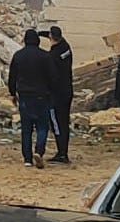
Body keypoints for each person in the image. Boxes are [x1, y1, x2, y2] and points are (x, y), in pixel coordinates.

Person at [8, 28, 57, 169]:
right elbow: (53, 77)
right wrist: (51, 93)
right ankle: (39, 152)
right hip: (42, 96)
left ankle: (27, 159)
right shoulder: (45, 56)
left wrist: (12, 93)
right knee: (42, 127)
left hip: (24, 97)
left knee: (26, 128)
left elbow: (12, 77)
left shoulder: (18, 56)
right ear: (37, 41)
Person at [46, 26, 74, 164]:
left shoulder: (52, 55)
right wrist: (44, 34)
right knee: (64, 122)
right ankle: (64, 151)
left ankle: (61, 153)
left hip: (57, 94)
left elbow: (51, 76)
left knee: (56, 123)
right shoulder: (65, 47)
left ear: (51, 37)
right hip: (67, 90)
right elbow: (56, 38)